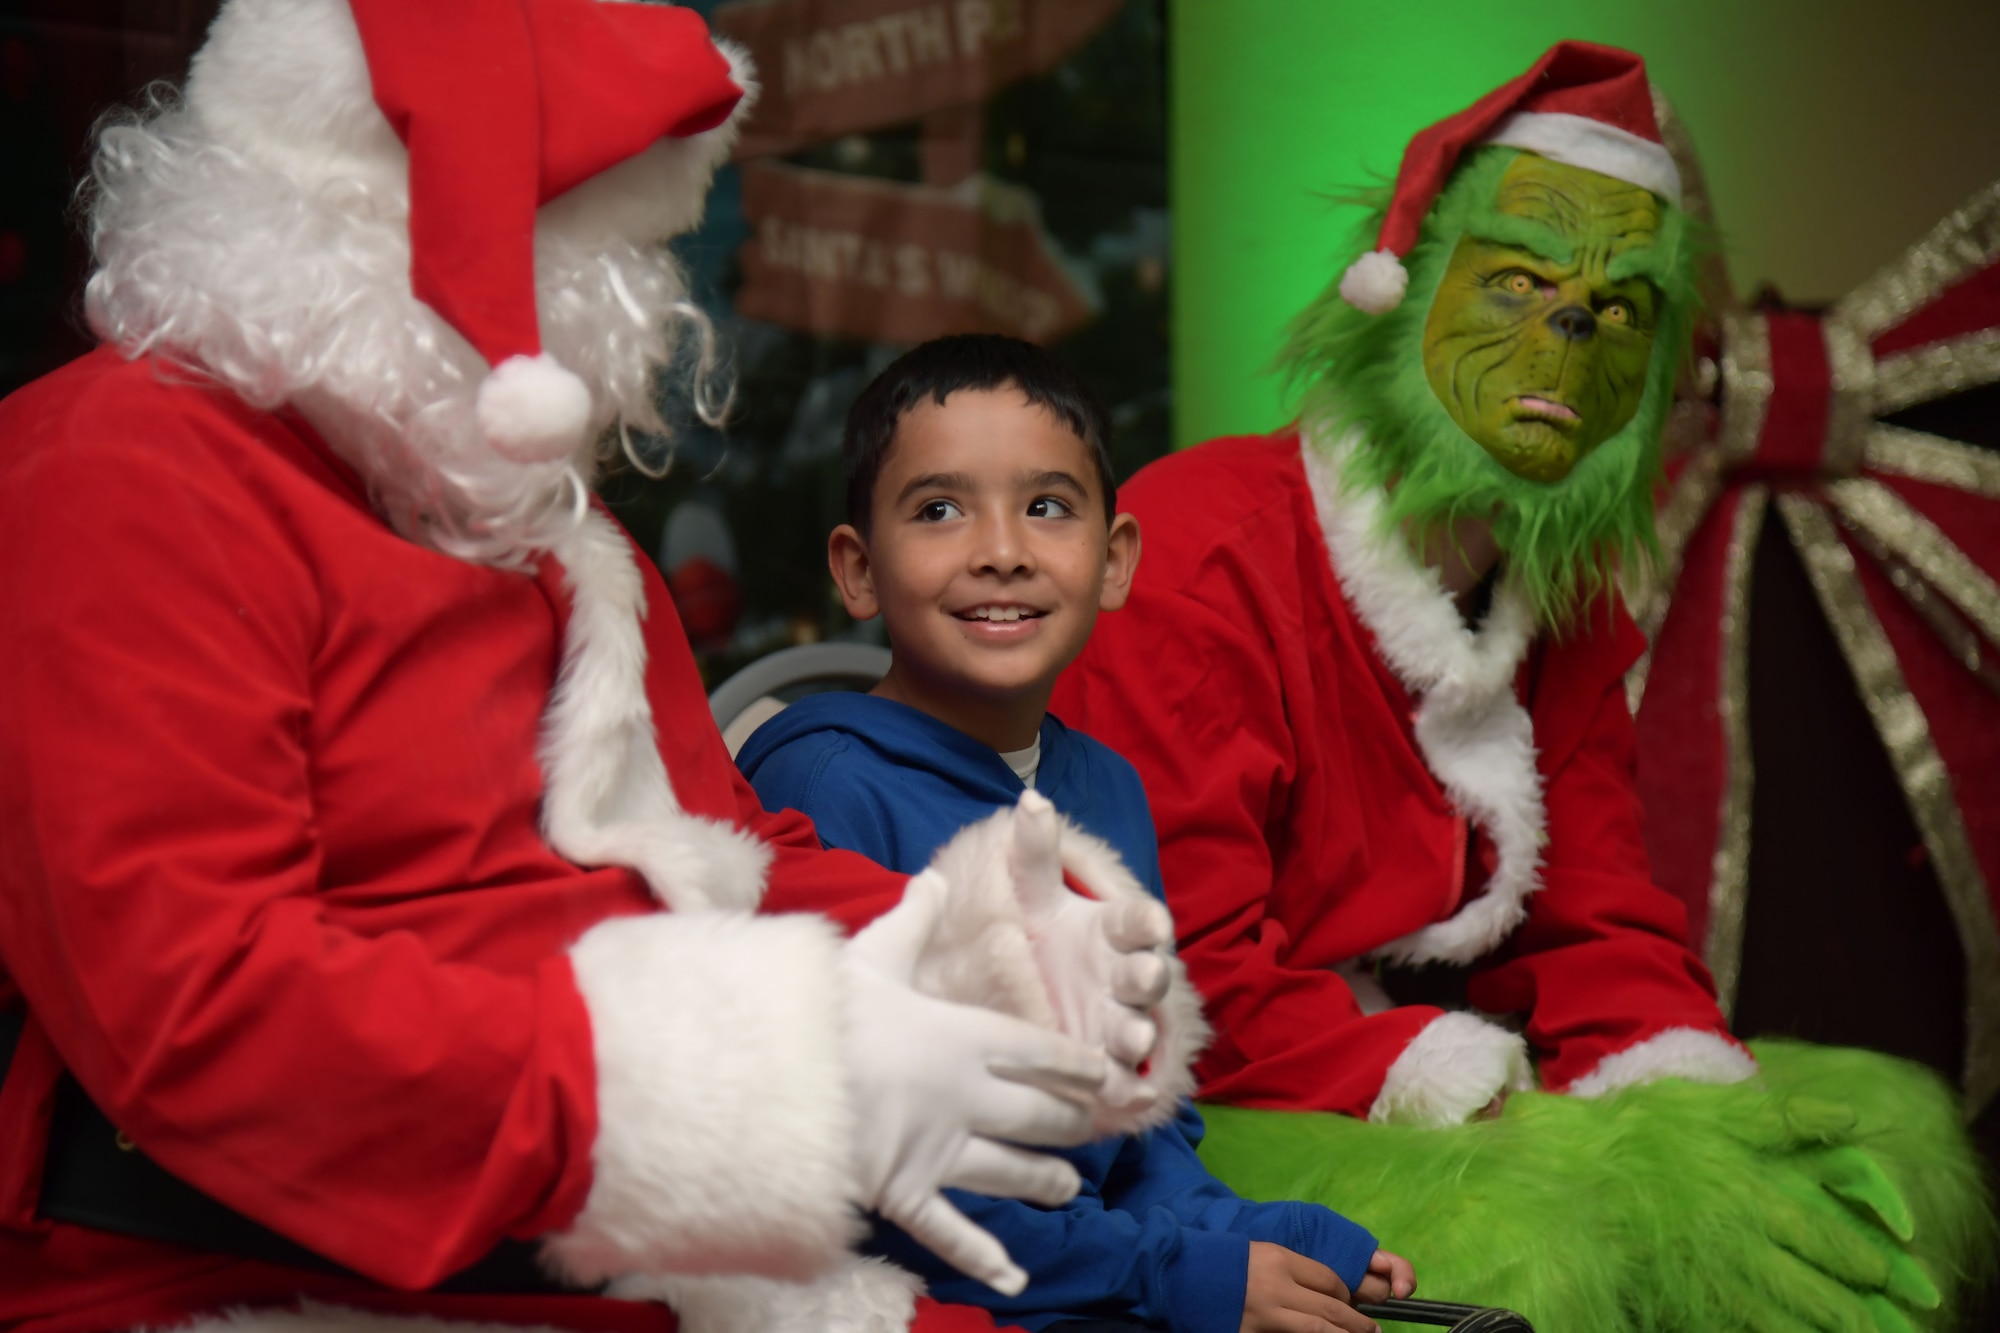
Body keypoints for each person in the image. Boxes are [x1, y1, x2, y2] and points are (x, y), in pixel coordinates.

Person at [0, 5, 1192, 1333]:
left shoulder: (539, 522)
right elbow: (199, 1009)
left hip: (622, 1250)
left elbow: (717, 852)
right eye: (608, 239)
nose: (640, 291)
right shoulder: (119, 471)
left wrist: (994, 950)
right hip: (263, 1277)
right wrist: (760, 1077)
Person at [1051, 40, 1991, 1333]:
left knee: (1884, 1136)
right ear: (1408, 291)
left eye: (1619, 308)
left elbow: (1594, 903)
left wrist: (1680, 1088)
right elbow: (1186, 973)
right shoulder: (1201, 544)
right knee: (1537, 1248)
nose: (1571, 330)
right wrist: (1482, 1098)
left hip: (1424, 1037)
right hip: (1202, 1088)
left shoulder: (1568, 599)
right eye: (1522, 283)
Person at [737, 334, 1418, 1333]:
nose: (1000, 549)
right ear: (857, 569)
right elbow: (890, 1187)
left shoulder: (1108, 790)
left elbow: (1132, 1124)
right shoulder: (826, 792)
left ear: (1112, 561)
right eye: (938, 510)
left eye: (1045, 506)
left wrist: (1246, 1237)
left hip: (1076, 1273)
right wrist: (1173, 1275)